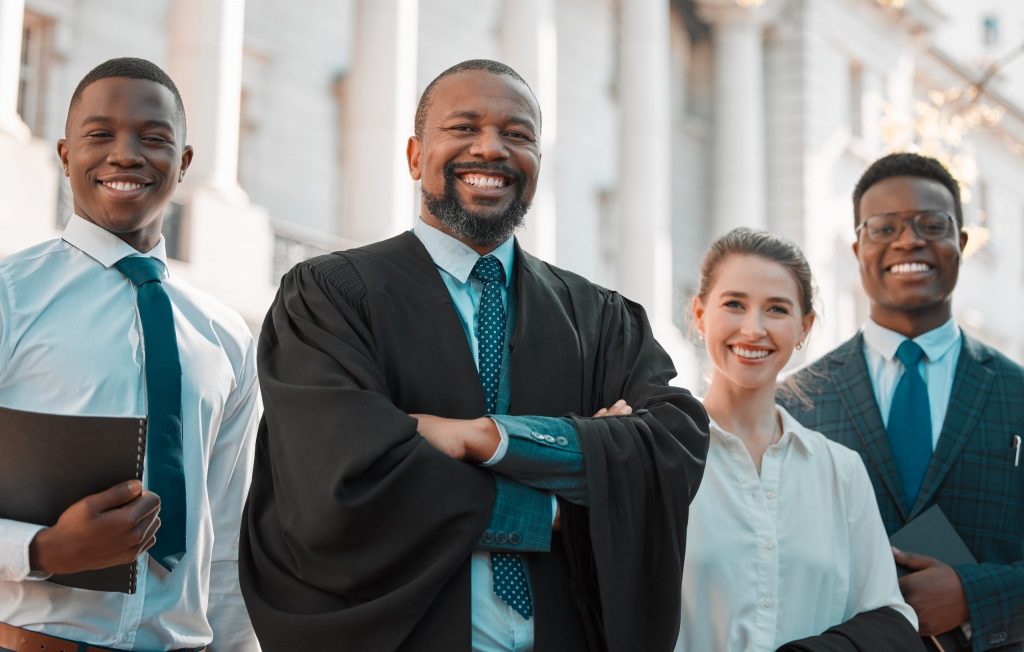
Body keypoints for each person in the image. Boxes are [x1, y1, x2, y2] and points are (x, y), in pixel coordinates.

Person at [239, 59, 710, 652]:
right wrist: (561, 502)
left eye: (517, 135)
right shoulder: (331, 297)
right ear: (415, 156)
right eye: (463, 128)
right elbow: (341, 475)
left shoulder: (599, 317)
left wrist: (486, 438)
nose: (491, 149)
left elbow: (672, 443)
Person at [0, 58, 260, 651]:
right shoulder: (9, 299)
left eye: (154, 138)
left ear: (185, 163)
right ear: (65, 154)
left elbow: (224, 535)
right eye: (100, 135)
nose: (126, 154)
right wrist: (42, 550)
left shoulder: (226, 337)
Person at [781, 152, 1024, 651]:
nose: (908, 240)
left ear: (960, 242)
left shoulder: (1016, 393)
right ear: (857, 249)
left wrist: (974, 596)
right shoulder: (793, 405)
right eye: (884, 227)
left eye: (930, 224)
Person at [675, 227, 921, 651]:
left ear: (804, 327)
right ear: (700, 315)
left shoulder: (841, 471)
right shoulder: (658, 454)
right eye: (734, 304)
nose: (753, 329)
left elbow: (890, 616)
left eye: (776, 309)